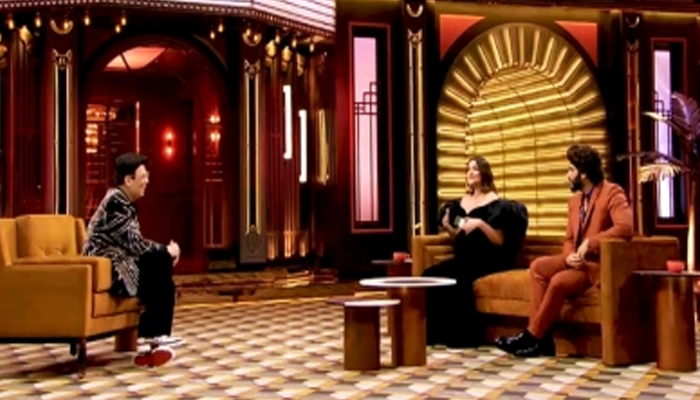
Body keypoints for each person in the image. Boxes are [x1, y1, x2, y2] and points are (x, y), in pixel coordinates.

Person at [495, 144, 633, 357]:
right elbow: (569, 238)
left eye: (571, 170)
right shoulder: (575, 201)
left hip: (596, 264)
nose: (567, 175)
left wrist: (592, 242)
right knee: (537, 267)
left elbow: (626, 227)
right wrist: (569, 256)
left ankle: (532, 336)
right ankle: (543, 340)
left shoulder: (612, 192)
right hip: (576, 260)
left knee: (558, 281)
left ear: (583, 173)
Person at [83, 152, 183, 367]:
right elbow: (134, 243)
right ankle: (155, 335)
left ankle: (155, 338)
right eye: (143, 177)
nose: (147, 181)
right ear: (128, 180)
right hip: (109, 267)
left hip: (121, 262)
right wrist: (167, 251)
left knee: (161, 267)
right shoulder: (116, 203)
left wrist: (164, 254)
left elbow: (134, 245)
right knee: (160, 261)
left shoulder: (124, 201)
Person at [423, 156, 528, 348]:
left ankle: (463, 337)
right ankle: (437, 333)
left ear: (484, 173)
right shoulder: (462, 203)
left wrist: (480, 224)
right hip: (464, 257)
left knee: (460, 279)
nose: (470, 173)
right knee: (430, 275)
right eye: (468, 169)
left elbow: (499, 239)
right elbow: (460, 234)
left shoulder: (496, 204)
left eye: (475, 169)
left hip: (487, 259)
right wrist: (449, 227)